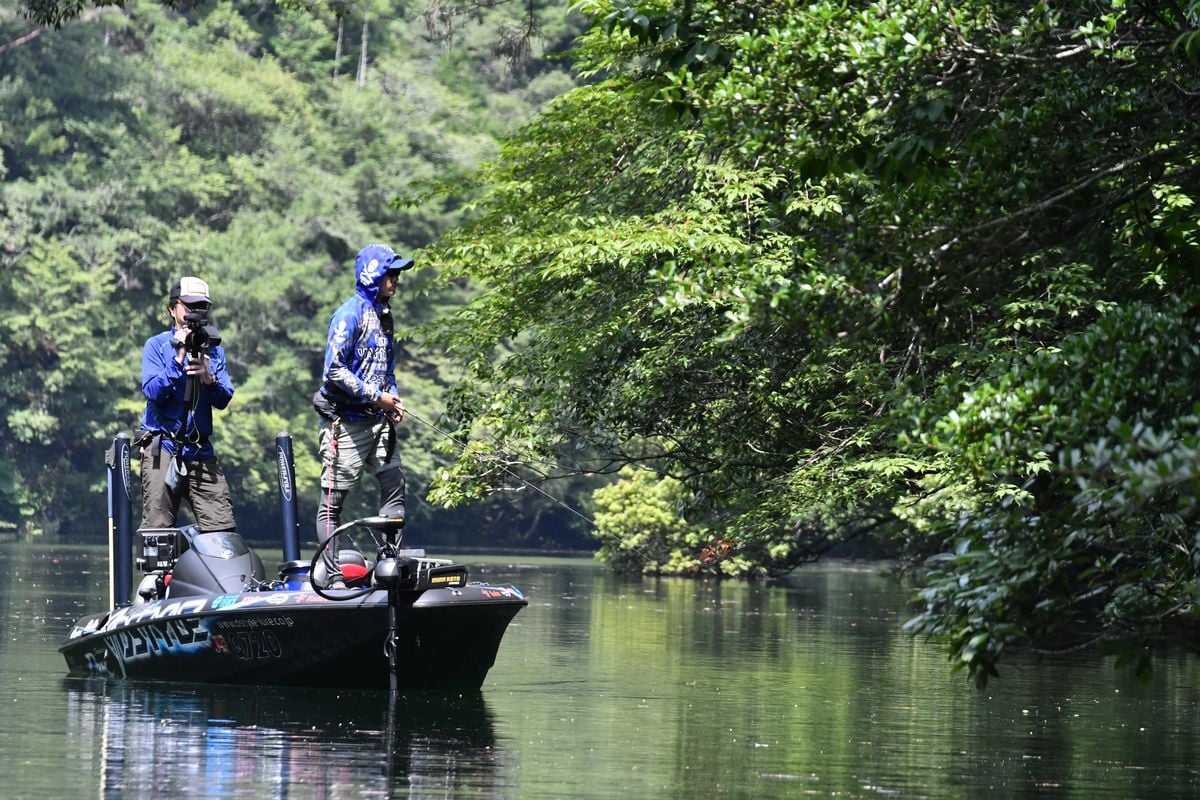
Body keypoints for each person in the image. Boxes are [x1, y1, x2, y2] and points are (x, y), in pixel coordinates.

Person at [313, 244, 412, 587]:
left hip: (378, 421)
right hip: (346, 421)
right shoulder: (348, 315)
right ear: (372, 274)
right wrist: (377, 396)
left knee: (394, 482)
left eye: (397, 273)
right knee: (333, 500)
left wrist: (393, 397)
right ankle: (334, 575)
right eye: (391, 273)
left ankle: (390, 564)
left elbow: (388, 368)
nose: (396, 280)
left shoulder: (385, 315)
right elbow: (333, 371)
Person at [138, 276, 237, 532]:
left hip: (199, 449)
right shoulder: (157, 345)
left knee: (222, 529)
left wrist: (208, 378)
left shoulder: (213, 349)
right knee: (158, 530)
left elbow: (224, 398)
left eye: (201, 307)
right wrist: (178, 357)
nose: (195, 312)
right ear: (172, 309)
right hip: (163, 446)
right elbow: (153, 392)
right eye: (189, 306)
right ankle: (160, 573)